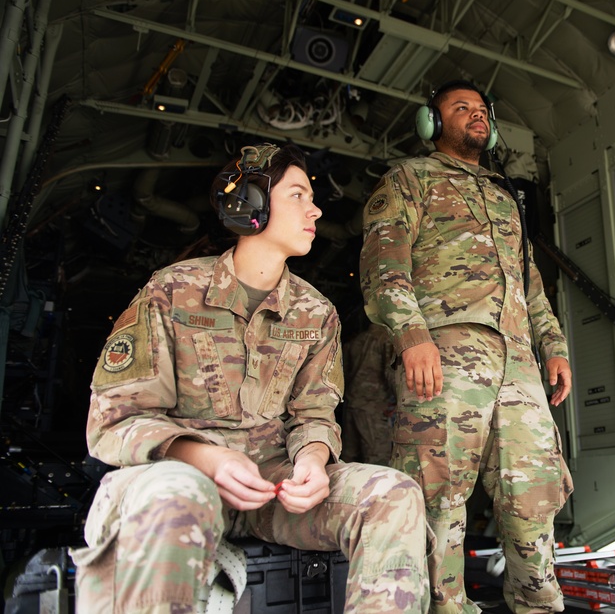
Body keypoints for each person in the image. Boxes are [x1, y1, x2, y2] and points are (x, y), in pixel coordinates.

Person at [71, 143, 430, 614]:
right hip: (182, 479)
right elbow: (113, 421)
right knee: (175, 492)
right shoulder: (172, 290)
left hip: (274, 490)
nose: (316, 209)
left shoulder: (316, 312)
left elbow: (315, 414)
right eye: (298, 195)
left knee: (393, 493)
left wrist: (314, 461)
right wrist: (205, 458)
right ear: (251, 205)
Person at [359, 81, 574, 614]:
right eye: (461, 109)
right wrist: (411, 335)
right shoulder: (410, 178)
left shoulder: (504, 197)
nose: (475, 116)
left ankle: (540, 606)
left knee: (536, 494)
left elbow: (530, 285)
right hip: (446, 356)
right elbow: (384, 263)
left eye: (482, 111)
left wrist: (554, 345)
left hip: (519, 365)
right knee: (437, 498)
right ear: (432, 123)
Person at [341, 320, 397, 465]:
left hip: (351, 402)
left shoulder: (356, 340)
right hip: (374, 406)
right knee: (378, 458)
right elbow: (390, 373)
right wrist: (399, 402)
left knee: (348, 456)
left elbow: (343, 373)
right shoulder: (386, 340)